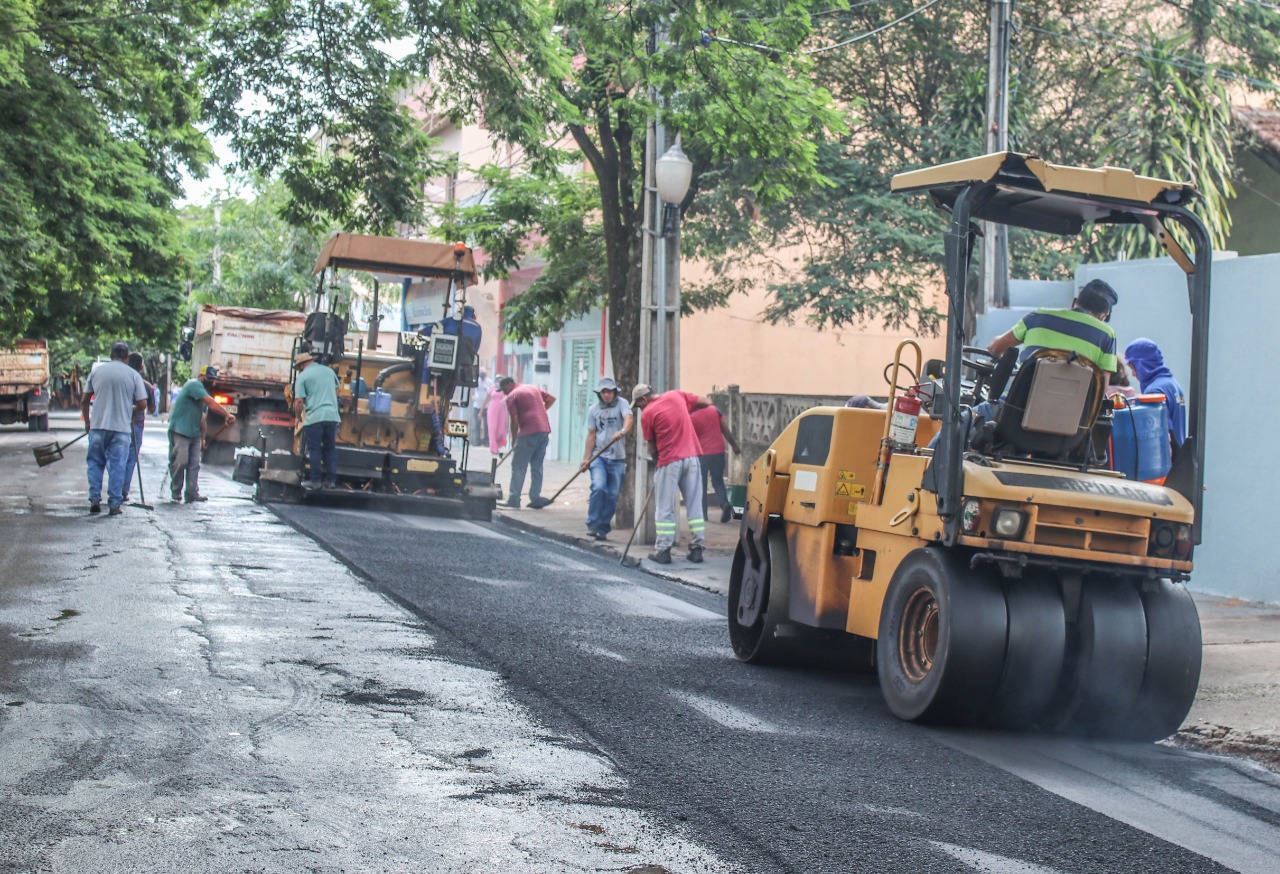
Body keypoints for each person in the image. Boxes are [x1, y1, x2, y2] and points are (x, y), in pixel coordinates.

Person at [631, 384, 713, 564]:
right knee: (694, 505)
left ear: (644, 399)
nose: (639, 409)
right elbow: (707, 402)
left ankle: (663, 550)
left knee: (665, 508)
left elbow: (652, 447)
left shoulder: (647, 414)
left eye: (638, 405)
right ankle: (697, 549)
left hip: (669, 461)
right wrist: (683, 412)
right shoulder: (677, 395)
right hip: (691, 458)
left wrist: (658, 464)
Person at [987, 278, 1119, 373]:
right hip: (1076, 405)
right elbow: (1102, 388)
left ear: (1074, 302)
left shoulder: (1037, 316)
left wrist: (994, 342)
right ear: (1104, 315)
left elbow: (996, 349)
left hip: (1020, 402)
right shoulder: (1107, 335)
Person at [80, 342, 148, 516]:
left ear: (111, 356)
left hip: (98, 426)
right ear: (126, 358)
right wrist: (130, 408)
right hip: (121, 429)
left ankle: (95, 499)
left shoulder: (97, 372)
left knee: (95, 463)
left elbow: (85, 400)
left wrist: (87, 422)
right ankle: (114, 504)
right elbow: (142, 404)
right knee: (118, 465)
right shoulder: (133, 375)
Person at [168, 365, 236, 503]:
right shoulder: (194, 385)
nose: (211, 381)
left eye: (213, 379)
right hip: (180, 430)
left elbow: (203, 419)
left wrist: (202, 438)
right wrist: (226, 414)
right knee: (181, 461)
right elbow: (211, 403)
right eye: (209, 378)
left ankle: (192, 493)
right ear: (201, 377)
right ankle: (176, 490)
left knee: (194, 464)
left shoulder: (203, 394)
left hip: (194, 433)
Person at [580, 377, 633, 540]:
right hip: (599, 457)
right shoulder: (593, 410)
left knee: (612, 494)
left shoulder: (622, 404)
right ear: (599, 394)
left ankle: (602, 528)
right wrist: (586, 459)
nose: (606, 395)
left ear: (614, 392)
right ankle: (593, 523)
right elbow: (591, 434)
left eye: (609, 391)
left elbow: (629, 419)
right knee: (598, 487)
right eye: (603, 392)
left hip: (617, 458)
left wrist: (622, 431)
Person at [501, 375, 556, 508]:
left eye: (504, 389)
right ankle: (535, 497)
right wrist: (539, 412)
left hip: (528, 432)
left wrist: (514, 440)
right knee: (537, 466)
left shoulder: (512, 396)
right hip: (544, 431)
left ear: (510, 384)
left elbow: (514, 421)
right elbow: (551, 399)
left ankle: (514, 499)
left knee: (519, 466)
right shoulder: (532, 388)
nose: (504, 393)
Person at [1124, 338, 1187, 447]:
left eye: (1132, 367)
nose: (1133, 374)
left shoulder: (1154, 392)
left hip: (1167, 456)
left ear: (1142, 365)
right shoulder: (1173, 384)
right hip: (1181, 454)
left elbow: (1161, 435)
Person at [292, 351, 342, 489]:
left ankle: (315, 481)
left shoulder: (303, 377)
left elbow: (299, 401)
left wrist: (297, 417)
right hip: (332, 416)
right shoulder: (329, 371)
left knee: (314, 449)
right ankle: (331, 481)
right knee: (330, 448)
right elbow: (337, 389)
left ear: (302, 365)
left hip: (315, 417)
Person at [690, 401, 740, 523]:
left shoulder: (691, 417)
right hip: (718, 451)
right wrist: (734, 445)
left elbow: (690, 438)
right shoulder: (714, 410)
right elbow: (725, 429)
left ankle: (703, 514)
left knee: (701, 484)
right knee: (718, 480)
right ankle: (724, 504)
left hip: (702, 454)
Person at [120, 352, 158, 505]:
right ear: (141, 367)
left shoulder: (121, 381)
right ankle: (123, 491)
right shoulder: (147, 386)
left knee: (118, 457)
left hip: (120, 424)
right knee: (130, 459)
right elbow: (152, 409)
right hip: (136, 425)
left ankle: (116, 489)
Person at [484, 377, 510, 457]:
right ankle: (493, 448)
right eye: (498, 380)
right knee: (492, 429)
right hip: (492, 409)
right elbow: (486, 399)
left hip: (502, 410)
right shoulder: (492, 388)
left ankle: (498, 444)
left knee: (501, 429)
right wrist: (481, 411)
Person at [472, 368, 493, 444]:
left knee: (486, 424)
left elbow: (491, 393)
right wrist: (473, 397)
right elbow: (472, 391)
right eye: (481, 372)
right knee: (477, 424)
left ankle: (486, 440)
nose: (482, 374)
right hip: (477, 406)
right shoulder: (476, 381)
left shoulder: (489, 382)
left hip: (487, 406)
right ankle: (477, 440)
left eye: (483, 373)